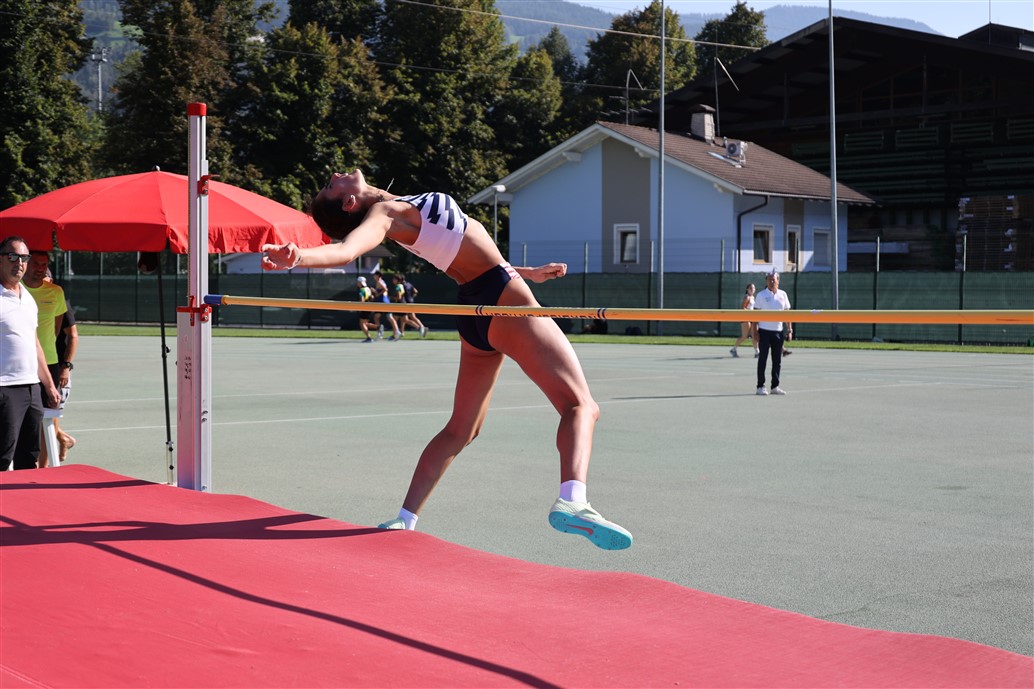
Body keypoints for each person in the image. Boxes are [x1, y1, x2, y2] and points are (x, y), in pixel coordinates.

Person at [263, 169, 631, 550]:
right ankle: (573, 500)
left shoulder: (398, 209)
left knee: (461, 430)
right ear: (348, 202)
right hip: (501, 297)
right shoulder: (385, 215)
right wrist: (299, 256)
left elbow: (460, 249)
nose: (335, 174)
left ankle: (404, 519)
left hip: (476, 304)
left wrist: (527, 272)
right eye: (331, 185)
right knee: (580, 406)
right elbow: (347, 250)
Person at [0, 236, 60, 471]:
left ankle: (21, 496)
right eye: (13, 256)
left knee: (29, 457)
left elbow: (35, 345)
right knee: (3, 456)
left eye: (24, 258)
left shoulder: (28, 299)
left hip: (31, 388)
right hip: (4, 388)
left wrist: (49, 386)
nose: (19, 263)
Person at [23, 252, 75, 467]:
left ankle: (43, 469)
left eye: (44, 265)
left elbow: (56, 329)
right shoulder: (14, 289)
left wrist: (63, 366)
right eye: (36, 263)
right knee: (22, 418)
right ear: (26, 264)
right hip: (20, 364)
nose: (40, 268)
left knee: (47, 420)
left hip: (49, 363)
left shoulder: (55, 292)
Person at [755, 270, 792, 396]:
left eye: (773, 279)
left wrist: (789, 330)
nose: (771, 282)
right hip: (764, 331)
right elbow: (755, 316)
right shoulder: (760, 295)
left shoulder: (783, 294)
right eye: (769, 279)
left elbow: (787, 314)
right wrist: (755, 332)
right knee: (763, 359)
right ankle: (760, 386)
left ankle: (775, 386)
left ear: (778, 281)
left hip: (778, 332)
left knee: (777, 361)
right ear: (766, 281)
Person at [53, 297, 79, 461]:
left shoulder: (58, 299)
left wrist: (66, 367)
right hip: (35, 366)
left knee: (48, 414)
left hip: (56, 367)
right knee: (39, 417)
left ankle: (44, 465)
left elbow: (73, 337)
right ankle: (63, 438)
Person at [392, 272, 427, 338]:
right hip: (411, 302)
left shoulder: (401, 286)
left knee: (408, 318)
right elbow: (415, 291)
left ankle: (421, 327)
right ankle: (402, 332)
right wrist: (411, 297)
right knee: (405, 318)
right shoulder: (409, 284)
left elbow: (400, 296)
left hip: (406, 303)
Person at [729, 282, 758, 358]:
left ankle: (757, 352)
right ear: (747, 289)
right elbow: (743, 308)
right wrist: (750, 312)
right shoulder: (747, 297)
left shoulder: (753, 297)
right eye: (751, 288)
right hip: (746, 318)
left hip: (752, 319)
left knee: (754, 336)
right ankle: (734, 349)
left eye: (753, 288)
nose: (752, 289)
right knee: (744, 336)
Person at [371, 270, 401, 341]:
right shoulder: (382, 281)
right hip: (385, 301)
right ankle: (396, 331)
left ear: (378, 276)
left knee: (377, 317)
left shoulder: (379, 282)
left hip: (381, 302)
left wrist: (377, 294)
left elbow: (385, 289)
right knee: (386, 317)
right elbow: (382, 290)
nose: (374, 276)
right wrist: (375, 291)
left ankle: (380, 333)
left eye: (375, 275)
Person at [356, 276, 377, 343]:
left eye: (358, 282)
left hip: (365, 308)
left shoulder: (362, 290)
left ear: (360, 283)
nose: (357, 283)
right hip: (369, 307)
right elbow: (372, 297)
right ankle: (378, 327)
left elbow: (362, 300)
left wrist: (359, 306)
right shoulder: (368, 289)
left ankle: (369, 337)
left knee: (362, 324)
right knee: (365, 323)